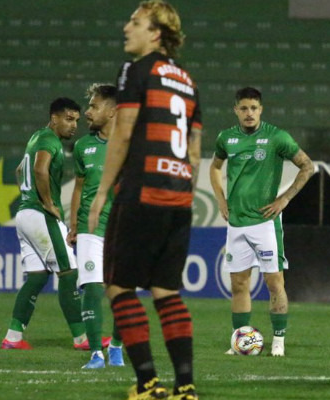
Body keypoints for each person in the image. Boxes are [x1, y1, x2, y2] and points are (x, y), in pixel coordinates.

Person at [88, 1, 201, 399]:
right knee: (166, 291)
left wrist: (103, 191)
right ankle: (186, 387)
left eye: (135, 22)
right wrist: (182, 193)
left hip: (141, 191)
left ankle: (148, 383)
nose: (126, 28)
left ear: (155, 33)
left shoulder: (135, 71)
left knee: (119, 287)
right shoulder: (188, 81)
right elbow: (194, 151)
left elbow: (123, 131)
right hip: (179, 196)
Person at [209, 87, 315, 357]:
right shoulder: (226, 138)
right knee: (239, 284)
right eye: (244, 108)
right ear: (236, 110)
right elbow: (215, 167)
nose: (249, 113)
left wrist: (285, 199)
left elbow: (307, 166)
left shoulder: (277, 137)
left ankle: (278, 341)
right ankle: (240, 341)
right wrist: (220, 199)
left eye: (254, 108)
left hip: (265, 222)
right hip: (236, 223)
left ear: (261, 110)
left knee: (274, 282)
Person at [1, 98, 92, 351]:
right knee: (69, 272)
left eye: (76, 120)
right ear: (54, 118)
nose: (74, 125)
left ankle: (13, 337)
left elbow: (19, 171)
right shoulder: (50, 140)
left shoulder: (36, 137)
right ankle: (81, 338)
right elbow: (40, 170)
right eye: (69, 119)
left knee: (37, 277)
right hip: (40, 215)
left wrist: (28, 197)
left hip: (24, 214)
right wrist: (48, 203)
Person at [66, 83, 121, 369]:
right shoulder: (82, 146)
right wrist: (74, 222)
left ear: (112, 111)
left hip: (122, 229)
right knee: (91, 288)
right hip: (91, 228)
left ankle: (117, 347)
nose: (87, 112)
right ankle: (97, 353)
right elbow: (79, 187)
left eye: (94, 106)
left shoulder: (131, 145)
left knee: (123, 292)